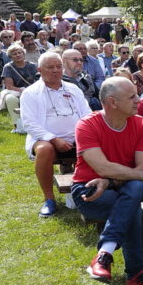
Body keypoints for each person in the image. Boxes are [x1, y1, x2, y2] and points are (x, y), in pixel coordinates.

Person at [70, 77, 143, 285]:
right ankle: (137, 276)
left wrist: (109, 180)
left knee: (132, 191)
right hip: (90, 191)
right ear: (112, 102)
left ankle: (105, 253)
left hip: (120, 187)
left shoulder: (142, 124)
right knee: (130, 202)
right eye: (132, 96)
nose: (138, 100)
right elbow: (102, 167)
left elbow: (141, 168)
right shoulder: (87, 124)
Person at [21, 52, 91, 217]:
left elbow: (87, 115)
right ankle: (49, 199)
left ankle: (88, 194)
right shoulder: (30, 93)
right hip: (44, 139)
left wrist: (85, 136)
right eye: (50, 67)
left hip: (76, 139)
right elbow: (30, 124)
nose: (55, 70)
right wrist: (54, 139)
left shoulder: (73, 89)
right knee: (45, 149)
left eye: (59, 66)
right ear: (40, 69)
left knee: (98, 145)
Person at [0, 44, 38, 133]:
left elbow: (38, 82)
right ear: (11, 56)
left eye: (19, 52)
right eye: (14, 54)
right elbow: (9, 86)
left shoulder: (33, 66)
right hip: (15, 91)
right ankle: (17, 126)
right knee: (10, 99)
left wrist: (29, 91)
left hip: (32, 90)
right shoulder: (8, 67)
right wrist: (23, 91)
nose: (18, 55)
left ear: (23, 54)